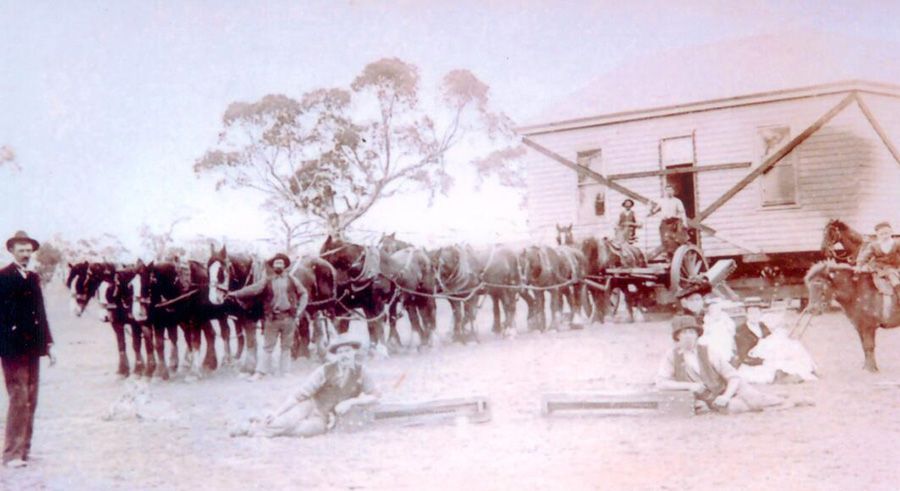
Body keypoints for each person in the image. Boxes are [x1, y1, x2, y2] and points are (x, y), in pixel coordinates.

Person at [230, 332, 379, 438]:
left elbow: (375, 396)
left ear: (354, 352)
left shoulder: (362, 372)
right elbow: (299, 395)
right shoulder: (325, 370)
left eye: (347, 351)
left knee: (306, 431)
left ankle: (260, 422)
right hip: (309, 405)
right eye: (340, 352)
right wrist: (277, 412)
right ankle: (249, 429)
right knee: (285, 421)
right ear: (336, 355)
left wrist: (352, 401)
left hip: (324, 417)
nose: (344, 355)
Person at [0, 231, 56, 468]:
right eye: (20, 250)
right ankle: (11, 454)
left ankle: (24, 450)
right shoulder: (3, 277)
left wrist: (49, 344)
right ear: (12, 251)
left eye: (28, 250)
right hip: (12, 348)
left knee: (31, 398)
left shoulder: (32, 277)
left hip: (33, 346)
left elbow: (40, 312)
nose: (25, 254)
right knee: (19, 397)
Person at [656, 315, 786, 414]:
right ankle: (773, 402)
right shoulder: (671, 356)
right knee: (731, 409)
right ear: (677, 336)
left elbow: (733, 377)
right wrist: (690, 386)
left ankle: (787, 401)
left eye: (692, 332)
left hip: (731, 388)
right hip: (710, 398)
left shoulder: (707, 351)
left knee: (758, 401)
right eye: (684, 333)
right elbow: (662, 383)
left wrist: (726, 396)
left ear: (697, 335)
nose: (688, 336)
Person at [227, 253, 308, 377]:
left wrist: (299, 311)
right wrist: (235, 293)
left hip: (289, 318)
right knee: (268, 347)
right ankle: (260, 372)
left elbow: (304, 294)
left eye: (281, 263)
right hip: (272, 318)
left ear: (285, 266)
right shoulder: (267, 280)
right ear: (273, 266)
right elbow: (254, 289)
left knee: (286, 347)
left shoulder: (292, 280)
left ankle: (285, 372)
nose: (278, 265)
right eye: (276, 263)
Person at [855, 222, 900, 320]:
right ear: (877, 235)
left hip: (893, 267)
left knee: (895, 281)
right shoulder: (874, 245)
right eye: (882, 234)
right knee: (869, 282)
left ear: (891, 232)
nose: (885, 236)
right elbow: (865, 256)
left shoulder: (896, 243)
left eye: (886, 233)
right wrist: (859, 265)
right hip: (878, 268)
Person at [648, 185, 690, 258]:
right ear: (665, 192)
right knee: (665, 239)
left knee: (676, 239)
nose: (669, 192)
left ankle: (678, 254)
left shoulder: (677, 201)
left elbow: (682, 212)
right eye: (667, 190)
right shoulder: (662, 201)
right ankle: (668, 254)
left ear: (673, 191)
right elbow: (654, 211)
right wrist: (650, 207)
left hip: (674, 221)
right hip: (665, 222)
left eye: (670, 190)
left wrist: (685, 222)